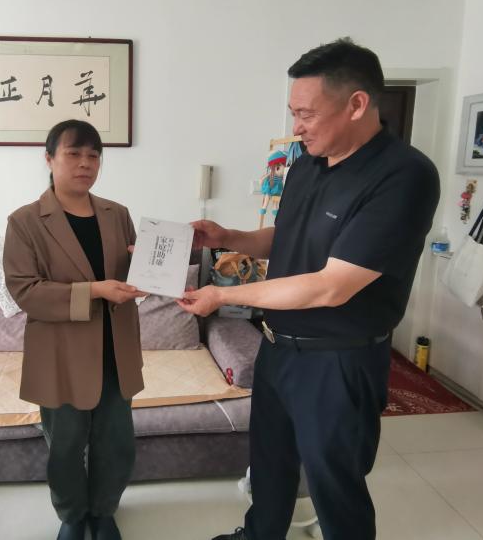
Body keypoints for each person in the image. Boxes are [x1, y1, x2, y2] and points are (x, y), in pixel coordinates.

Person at [178, 38, 440, 540]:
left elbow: (331, 287)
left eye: (306, 114)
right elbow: (288, 236)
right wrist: (228, 236)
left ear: (357, 104)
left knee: (333, 483)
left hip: (338, 360)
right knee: (269, 464)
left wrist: (222, 296)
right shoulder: (307, 163)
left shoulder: (403, 176)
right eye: (293, 112)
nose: (296, 126)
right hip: (278, 347)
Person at [3, 120, 145, 540]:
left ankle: (103, 511)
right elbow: (25, 291)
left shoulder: (117, 214)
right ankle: (71, 514)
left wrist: (152, 267)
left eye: (93, 156)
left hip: (115, 349)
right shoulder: (26, 221)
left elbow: (130, 276)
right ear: (49, 159)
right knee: (65, 445)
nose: (85, 164)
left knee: (116, 441)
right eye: (74, 154)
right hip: (61, 353)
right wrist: (95, 290)